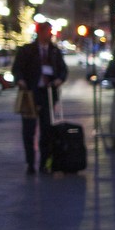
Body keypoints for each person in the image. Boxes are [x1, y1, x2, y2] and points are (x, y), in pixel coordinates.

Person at [12, 21, 69, 174]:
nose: (50, 34)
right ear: (40, 32)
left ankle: (45, 162)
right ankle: (30, 163)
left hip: (48, 94)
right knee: (29, 130)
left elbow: (63, 70)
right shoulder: (27, 50)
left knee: (47, 130)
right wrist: (21, 80)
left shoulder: (54, 51)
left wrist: (59, 80)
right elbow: (17, 69)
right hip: (30, 94)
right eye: (48, 31)